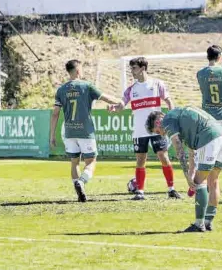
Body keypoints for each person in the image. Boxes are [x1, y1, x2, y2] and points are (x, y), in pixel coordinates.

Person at [146, 106, 222, 232]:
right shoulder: (180, 115)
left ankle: (199, 224)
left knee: (199, 182)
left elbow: (178, 147)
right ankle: (208, 221)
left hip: (209, 138)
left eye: (157, 131)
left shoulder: (167, 120)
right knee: (214, 181)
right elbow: (191, 150)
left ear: (158, 122)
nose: (161, 134)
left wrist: (187, 177)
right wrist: (190, 171)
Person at [109, 57, 181, 200]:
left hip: (156, 129)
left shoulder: (157, 84)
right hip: (139, 130)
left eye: (134, 68)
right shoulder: (131, 89)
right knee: (141, 159)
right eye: (131, 68)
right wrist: (114, 108)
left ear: (142, 68)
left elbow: (168, 100)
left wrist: (171, 116)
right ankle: (140, 192)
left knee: (163, 157)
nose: (132, 71)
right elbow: (122, 105)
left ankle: (171, 189)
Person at [50, 59, 122, 202]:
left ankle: (79, 193)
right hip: (85, 131)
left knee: (74, 162)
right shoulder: (87, 86)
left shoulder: (61, 90)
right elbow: (105, 98)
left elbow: (55, 113)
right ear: (78, 71)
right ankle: (81, 182)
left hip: (69, 132)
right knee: (91, 161)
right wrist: (120, 102)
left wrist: (52, 135)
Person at [197, 45, 222, 192]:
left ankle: (207, 182)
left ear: (207, 56)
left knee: (208, 148)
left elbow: (203, 90)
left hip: (208, 116)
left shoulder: (200, 73)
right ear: (220, 57)